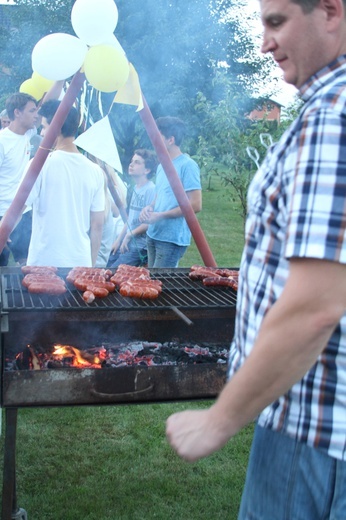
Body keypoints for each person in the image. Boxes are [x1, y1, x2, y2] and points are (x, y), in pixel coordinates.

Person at [166, 1, 346, 518]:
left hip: (310, 430)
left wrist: (219, 420)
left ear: (330, 12)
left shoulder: (332, 120)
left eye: (276, 21)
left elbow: (316, 307)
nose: (265, 42)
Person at [18, 99, 105, 267]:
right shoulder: (95, 171)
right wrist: (90, 266)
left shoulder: (39, 164)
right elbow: (97, 224)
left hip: (43, 265)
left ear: (55, 128)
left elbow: (18, 209)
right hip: (79, 264)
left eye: (44, 127)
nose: (42, 134)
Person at [0, 83, 62, 266]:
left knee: (28, 266)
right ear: (17, 113)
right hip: (2, 214)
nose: (37, 115)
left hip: (23, 213)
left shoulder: (28, 133)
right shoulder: (2, 141)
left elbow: (48, 102)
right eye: (32, 111)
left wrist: (60, 80)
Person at [140, 117, 201, 267]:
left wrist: (160, 216)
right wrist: (150, 208)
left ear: (170, 140)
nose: (154, 141)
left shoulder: (188, 165)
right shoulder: (162, 165)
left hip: (171, 239)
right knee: (151, 283)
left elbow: (196, 204)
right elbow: (160, 195)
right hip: (153, 233)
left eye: (158, 137)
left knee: (161, 286)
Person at [107, 149, 157, 268]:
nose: (131, 164)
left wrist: (130, 235)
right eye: (132, 161)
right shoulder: (136, 188)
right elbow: (130, 220)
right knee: (107, 267)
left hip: (140, 245)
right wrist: (118, 240)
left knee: (114, 272)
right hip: (127, 241)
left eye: (137, 162)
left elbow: (151, 223)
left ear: (147, 170)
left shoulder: (151, 189)